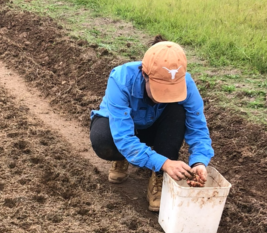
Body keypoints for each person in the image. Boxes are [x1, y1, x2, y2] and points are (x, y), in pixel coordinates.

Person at [90, 41, 214, 211]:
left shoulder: (187, 84)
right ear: (144, 74)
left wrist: (199, 161)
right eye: (161, 90)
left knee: (178, 112)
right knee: (103, 140)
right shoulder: (120, 79)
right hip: (124, 126)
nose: (165, 97)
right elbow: (123, 136)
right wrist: (164, 162)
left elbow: (198, 127)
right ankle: (122, 158)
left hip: (155, 125)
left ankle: (158, 175)